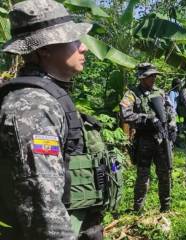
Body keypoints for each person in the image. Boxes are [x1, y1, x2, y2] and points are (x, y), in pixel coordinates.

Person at [0, 0, 114, 239]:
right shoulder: (33, 106)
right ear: (44, 49)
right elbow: (43, 208)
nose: (83, 48)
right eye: (72, 41)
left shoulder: (48, 98)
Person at [120, 63, 176, 213]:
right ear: (142, 78)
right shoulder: (132, 94)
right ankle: (138, 209)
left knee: (165, 173)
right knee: (143, 176)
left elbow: (170, 110)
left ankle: (166, 207)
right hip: (145, 139)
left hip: (162, 138)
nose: (153, 78)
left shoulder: (160, 92)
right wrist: (147, 118)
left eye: (154, 75)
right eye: (150, 76)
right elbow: (125, 114)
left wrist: (172, 124)